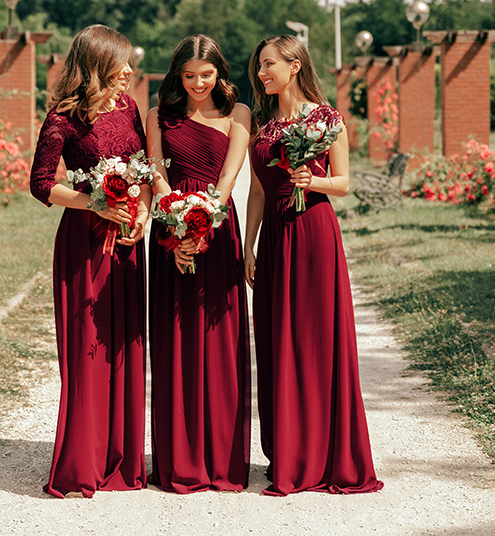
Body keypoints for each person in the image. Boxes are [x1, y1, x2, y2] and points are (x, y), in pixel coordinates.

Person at [244, 35, 383, 496]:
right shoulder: (262, 123)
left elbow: (343, 184)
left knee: (316, 339)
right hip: (276, 237)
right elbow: (259, 190)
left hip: (313, 230)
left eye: (268, 64)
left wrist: (314, 179)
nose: (261, 73)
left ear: (295, 65)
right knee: (277, 338)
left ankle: (326, 454)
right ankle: (290, 450)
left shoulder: (327, 118)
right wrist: (249, 244)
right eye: (259, 66)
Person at [29, 24, 150, 498]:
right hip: (83, 246)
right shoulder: (63, 118)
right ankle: (82, 460)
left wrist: (139, 214)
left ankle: (122, 457)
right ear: (98, 63)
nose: (129, 71)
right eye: (121, 63)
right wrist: (93, 204)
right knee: (87, 350)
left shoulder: (130, 107)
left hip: (126, 244)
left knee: (123, 347)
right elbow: (41, 184)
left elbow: (140, 165)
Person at [146, 34, 251, 493]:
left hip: (218, 225)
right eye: (188, 76)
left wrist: (203, 222)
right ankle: (179, 458)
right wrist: (176, 226)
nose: (197, 83)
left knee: (218, 339)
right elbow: (156, 171)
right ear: (177, 74)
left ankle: (222, 458)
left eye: (205, 75)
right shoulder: (157, 115)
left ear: (219, 72)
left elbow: (229, 174)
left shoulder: (238, 114)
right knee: (175, 338)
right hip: (170, 229)